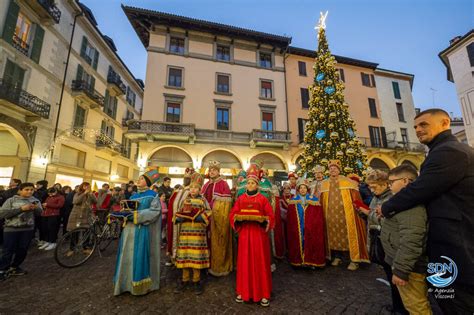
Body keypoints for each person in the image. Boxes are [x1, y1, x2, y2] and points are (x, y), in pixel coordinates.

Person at [381, 108, 474, 314]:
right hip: (449, 242)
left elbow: (420, 189)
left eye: (424, 124)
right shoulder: (441, 151)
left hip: (455, 244)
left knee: (456, 301)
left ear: (444, 123)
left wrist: (386, 207)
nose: (418, 130)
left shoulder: (449, 151)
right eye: (415, 127)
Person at [356, 170, 408, 315]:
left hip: (390, 243)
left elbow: (388, 219)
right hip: (379, 241)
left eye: (375, 187)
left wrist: (369, 214)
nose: (372, 190)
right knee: (389, 276)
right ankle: (397, 305)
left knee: (396, 277)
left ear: (385, 184)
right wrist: (363, 214)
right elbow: (374, 215)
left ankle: (402, 309)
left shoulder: (392, 198)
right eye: (370, 187)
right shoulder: (376, 197)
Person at [381, 165, 431, 314]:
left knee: (416, 306)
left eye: (391, 182)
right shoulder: (402, 201)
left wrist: (401, 270)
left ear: (405, 181)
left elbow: (412, 239)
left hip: (410, 268)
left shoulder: (411, 205)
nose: (389, 186)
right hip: (402, 263)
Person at [230, 163, 275, 307]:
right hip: (244, 235)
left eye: (252, 183)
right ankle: (243, 292)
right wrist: (237, 219)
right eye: (248, 182)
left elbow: (270, 216)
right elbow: (232, 214)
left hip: (259, 236)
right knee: (244, 263)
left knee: (260, 262)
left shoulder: (262, 199)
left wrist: (264, 222)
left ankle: (263, 293)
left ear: (257, 185)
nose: (250, 185)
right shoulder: (241, 198)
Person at [113, 169, 162, 296]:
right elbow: (126, 210)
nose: (138, 180)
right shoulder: (133, 196)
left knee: (139, 255)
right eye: (139, 178)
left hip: (142, 230)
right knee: (127, 255)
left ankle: (140, 287)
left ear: (147, 182)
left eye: (141, 178)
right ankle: (125, 284)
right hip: (129, 231)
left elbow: (155, 212)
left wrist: (136, 216)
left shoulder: (153, 195)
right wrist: (122, 214)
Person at [320, 159, 369, 271]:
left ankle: (354, 260)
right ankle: (337, 256)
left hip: (347, 216)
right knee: (333, 237)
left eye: (335, 168)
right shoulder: (324, 184)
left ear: (339, 170)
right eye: (330, 168)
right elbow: (321, 201)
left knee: (350, 236)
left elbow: (357, 199)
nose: (332, 170)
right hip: (330, 217)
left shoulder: (348, 182)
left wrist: (360, 211)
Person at [174, 173, 211, 295]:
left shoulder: (203, 200)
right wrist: (178, 218)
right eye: (191, 187)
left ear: (200, 189)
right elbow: (178, 212)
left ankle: (196, 280)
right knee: (185, 254)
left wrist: (201, 217)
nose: (193, 190)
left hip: (198, 233)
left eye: (196, 187)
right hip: (185, 232)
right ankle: (184, 279)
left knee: (196, 255)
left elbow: (209, 211)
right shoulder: (185, 200)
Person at [0, 182, 43, 281]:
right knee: (8, 250)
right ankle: (2, 269)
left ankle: (15, 266)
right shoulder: (11, 200)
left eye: (31, 190)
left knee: (22, 249)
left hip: (27, 229)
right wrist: (21, 209)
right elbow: (2, 214)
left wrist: (36, 209)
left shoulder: (35, 200)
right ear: (20, 190)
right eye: (26, 189)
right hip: (11, 229)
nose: (29, 191)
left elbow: (40, 213)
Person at [201, 160, 233, 277]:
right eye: (210, 170)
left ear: (218, 172)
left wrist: (213, 211)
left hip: (217, 219)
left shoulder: (224, 184)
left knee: (217, 241)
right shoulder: (206, 185)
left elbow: (226, 205)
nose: (211, 172)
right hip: (205, 219)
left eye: (214, 170)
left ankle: (218, 266)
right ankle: (205, 264)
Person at [287, 178, 326, 267]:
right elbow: (290, 218)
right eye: (301, 188)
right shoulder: (293, 200)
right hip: (298, 227)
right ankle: (299, 260)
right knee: (299, 241)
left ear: (307, 189)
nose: (303, 190)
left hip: (310, 227)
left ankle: (310, 260)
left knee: (310, 241)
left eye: (304, 188)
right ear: (298, 189)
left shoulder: (314, 200)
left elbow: (317, 216)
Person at [166, 167, 194, 265]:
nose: (185, 180)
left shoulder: (192, 192)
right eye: (185, 178)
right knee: (173, 236)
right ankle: (173, 255)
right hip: (174, 220)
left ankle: (182, 257)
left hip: (184, 221)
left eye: (188, 179)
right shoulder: (178, 190)